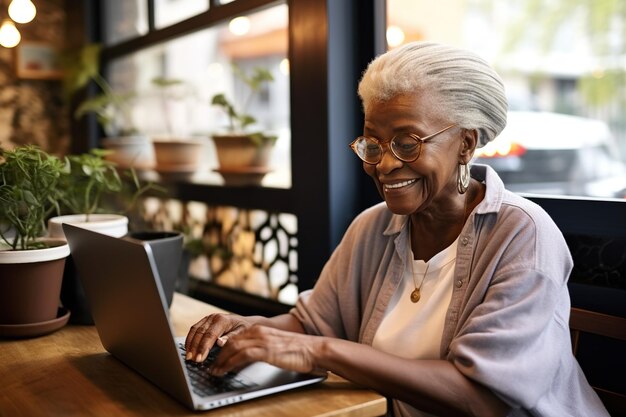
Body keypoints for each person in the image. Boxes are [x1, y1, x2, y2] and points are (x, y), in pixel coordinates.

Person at [185, 41, 609, 416]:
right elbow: (312, 325)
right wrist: (244, 328)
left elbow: (483, 399)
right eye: (373, 142)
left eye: (408, 142)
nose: (384, 164)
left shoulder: (523, 235)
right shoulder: (373, 227)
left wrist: (319, 351)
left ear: (466, 143)